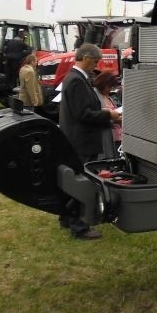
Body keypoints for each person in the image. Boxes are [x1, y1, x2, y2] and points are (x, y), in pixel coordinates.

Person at [57, 43, 121, 239]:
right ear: (85, 57)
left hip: (77, 139)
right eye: (95, 60)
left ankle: (66, 218)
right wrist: (109, 115)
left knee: (73, 180)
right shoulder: (77, 80)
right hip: (81, 141)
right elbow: (83, 113)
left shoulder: (76, 78)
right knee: (81, 183)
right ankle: (79, 227)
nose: (96, 64)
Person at [93, 71, 122, 156]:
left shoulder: (107, 96)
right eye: (110, 86)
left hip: (117, 135)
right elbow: (97, 115)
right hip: (107, 137)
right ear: (103, 84)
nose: (110, 89)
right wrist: (114, 120)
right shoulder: (95, 96)